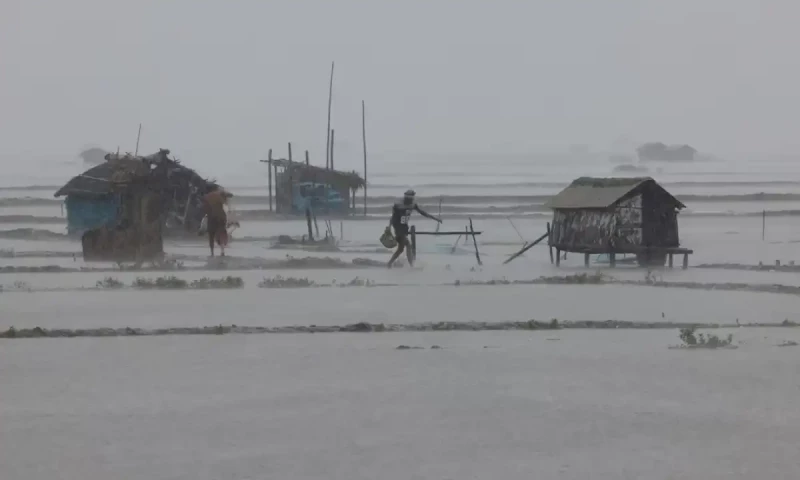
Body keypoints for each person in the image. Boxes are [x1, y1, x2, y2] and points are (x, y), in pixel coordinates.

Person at [388, 189, 442, 268]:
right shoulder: (398, 205)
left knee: (401, 249)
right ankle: (411, 266)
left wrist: (435, 218)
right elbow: (392, 217)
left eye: (412, 198)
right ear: (406, 198)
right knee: (408, 245)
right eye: (409, 198)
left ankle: (389, 263)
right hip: (397, 227)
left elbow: (423, 213)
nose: (411, 200)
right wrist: (389, 226)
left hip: (404, 227)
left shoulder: (413, 205)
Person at [202, 186, 235, 257]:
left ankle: (212, 252)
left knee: (211, 235)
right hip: (221, 217)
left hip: (211, 217)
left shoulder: (206, 197)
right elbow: (230, 196)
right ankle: (222, 251)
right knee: (221, 233)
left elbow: (205, 209)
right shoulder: (219, 195)